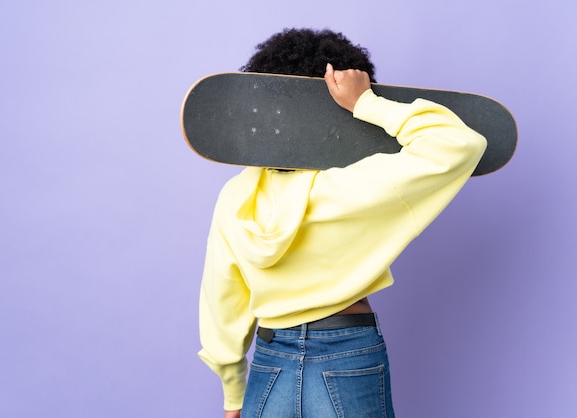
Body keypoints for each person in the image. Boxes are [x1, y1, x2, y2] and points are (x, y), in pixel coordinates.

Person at [197, 28, 487, 418]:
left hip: (270, 363)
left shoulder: (237, 197)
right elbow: (459, 143)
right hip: (347, 356)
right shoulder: (356, 186)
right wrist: (366, 102)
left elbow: (223, 303)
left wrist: (233, 396)